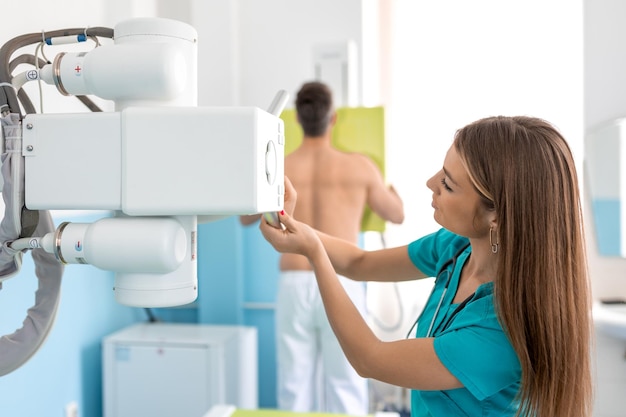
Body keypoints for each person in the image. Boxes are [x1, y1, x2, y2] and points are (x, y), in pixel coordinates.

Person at [259, 115, 593, 417]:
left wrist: (315, 254)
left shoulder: (501, 331)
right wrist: (290, 222)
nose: (430, 183)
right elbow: (360, 262)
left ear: (496, 216)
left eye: (448, 184)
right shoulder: (456, 246)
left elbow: (369, 359)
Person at [240, 81, 404, 415]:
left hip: (294, 284)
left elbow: (245, 217)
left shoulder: (278, 166)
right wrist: (392, 189)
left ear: (297, 120)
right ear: (334, 119)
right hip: (341, 280)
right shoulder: (359, 167)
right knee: (346, 382)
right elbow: (396, 214)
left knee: (293, 385)